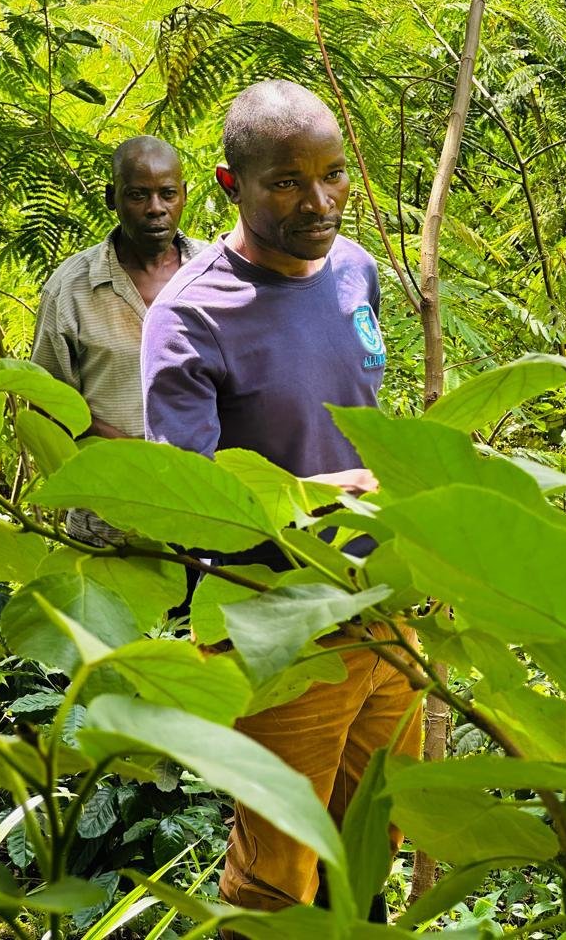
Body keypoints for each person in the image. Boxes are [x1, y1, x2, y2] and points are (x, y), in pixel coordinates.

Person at [141, 81, 421, 922]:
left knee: (374, 839)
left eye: (333, 175)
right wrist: (331, 494)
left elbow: (355, 417)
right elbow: (185, 501)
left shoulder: (355, 270)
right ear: (233, 185)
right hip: (277, 627)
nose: (319, 202)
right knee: (279, 870)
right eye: (288, 182)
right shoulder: (191, 315)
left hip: (381, 609)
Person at [32, 135, 206, 544]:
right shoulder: (70, 289)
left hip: (206, 510)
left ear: (184, 195)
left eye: (167, 194)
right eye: (138, 195)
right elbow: (48, 406)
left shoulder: (216, 277)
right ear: (113, 198)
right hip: (107, 519)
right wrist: (141, 460)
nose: (156, 208)